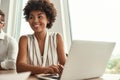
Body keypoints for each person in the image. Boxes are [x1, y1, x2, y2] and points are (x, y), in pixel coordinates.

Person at [16, 0, 66, 75]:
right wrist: (45, 69)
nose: (35, 21)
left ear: (48, 19)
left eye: (39, 16)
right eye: (31, 17)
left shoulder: (57, 37)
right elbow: (20, 67)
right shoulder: (24, 39)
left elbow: (65, 65)